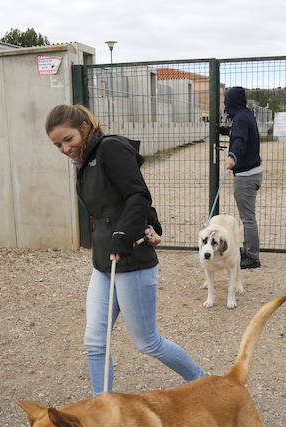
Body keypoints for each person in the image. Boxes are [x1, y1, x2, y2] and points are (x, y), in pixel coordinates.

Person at [45, 104, 206, 396]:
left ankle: (205, 383)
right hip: (103, 264)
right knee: (95, 342)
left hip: (132, 261)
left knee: (147, 343)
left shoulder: (111, 149)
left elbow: (138, 194)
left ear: (84, 127)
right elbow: (120, 201)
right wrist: (149, 225)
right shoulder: (84, 161)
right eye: (58, 145)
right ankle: (102, 408)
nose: (65, 149)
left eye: (68, 139)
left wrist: (127, 233)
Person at [219, 86, 262, 269]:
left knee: (248, 218)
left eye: (226, 101)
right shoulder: (245, 115)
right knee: (247, 216)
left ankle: (252, 257)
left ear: (232, 102)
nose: (225, 105)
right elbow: (237, 132)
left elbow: (240, 140)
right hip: (251, 173)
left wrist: (232, 156)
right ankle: (248, 249)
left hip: (246, 176)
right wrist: (224, 130)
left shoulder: (241, 118)